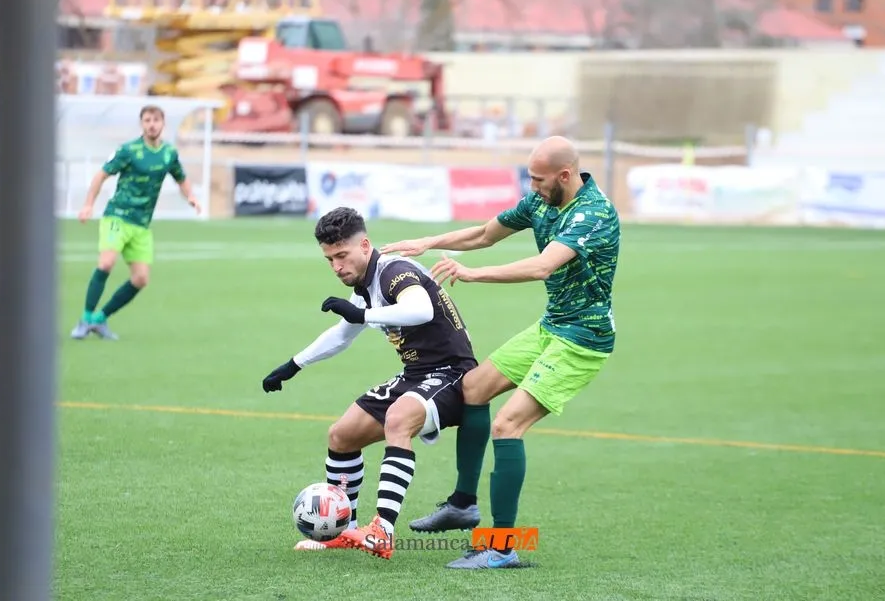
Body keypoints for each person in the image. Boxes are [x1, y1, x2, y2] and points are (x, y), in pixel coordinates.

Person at [380, 135, 621, 570]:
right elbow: (485, 233)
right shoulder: (541, 200)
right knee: (473, 388)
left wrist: (472, 275)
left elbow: (543, 265)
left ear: (564, 176)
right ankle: (462, 505)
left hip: (582, 339)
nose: (532, 185)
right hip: (551, 327)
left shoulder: (592, 214)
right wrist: (428, 243)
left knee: (508, 426)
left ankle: (503, 546)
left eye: (538, 178)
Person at [261, 206, 478, 560]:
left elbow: (420, 309)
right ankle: (344, 530)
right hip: (416, 375)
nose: (336, 266)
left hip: (452, 374)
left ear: (365, 245)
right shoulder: (364, 282)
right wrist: (293, 365)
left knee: (397, 420)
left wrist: (363, 314)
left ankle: (382, 531)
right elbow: (343, 334)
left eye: (341, 255)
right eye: (329, 259)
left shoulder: (394, 270)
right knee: (342, 435)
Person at [70, 105, 201, 340]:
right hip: (118, 216)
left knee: (140, 279)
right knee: (106, 263)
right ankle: (85, 317)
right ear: (142, 124)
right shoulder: (128, 150)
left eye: (156, 120)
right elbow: (101, 175)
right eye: (147, 120)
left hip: (141, 225)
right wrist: (88, 204)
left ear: (163, 124)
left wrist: (191, 196)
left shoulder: (169, 153)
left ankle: (100, 319)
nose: (152, 124)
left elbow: (181, 178)